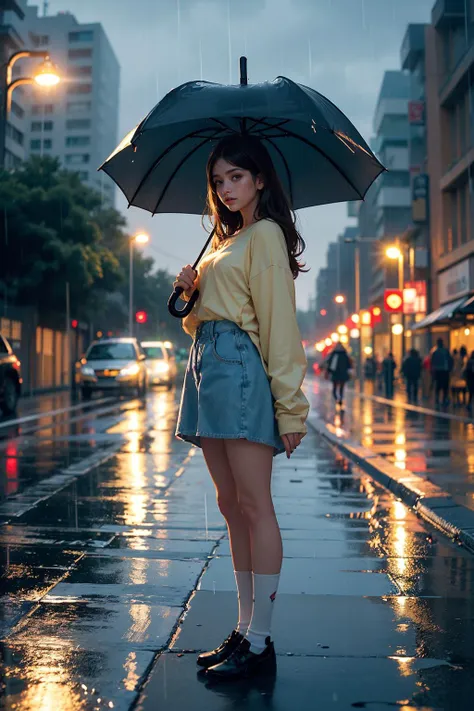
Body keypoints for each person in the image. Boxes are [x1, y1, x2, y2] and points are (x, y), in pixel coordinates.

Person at [173, 135, 309, 680]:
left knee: (255, 505)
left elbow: (276, 323)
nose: (226, 188)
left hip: (240, 369)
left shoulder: (266, 235)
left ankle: (260, 640)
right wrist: (189, 291)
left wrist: (291, 408)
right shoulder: (224, 243)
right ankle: (243, 627)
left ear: (260, 180)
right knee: (229, 506)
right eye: (219, 180)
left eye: (236, 176)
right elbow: (201, 320)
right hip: (206, 365)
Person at [325, 342, 352, 406]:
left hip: (338, 373)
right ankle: (339, 398)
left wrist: (328, 372)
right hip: (339, 373)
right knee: (338, 388)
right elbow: (349, 365)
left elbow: (329, 364)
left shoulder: (336, 354)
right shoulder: (341, 354)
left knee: (338, 388)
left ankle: (339, 398)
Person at [430, 338, 453, 407]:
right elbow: (450, 360)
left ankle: (438, 398)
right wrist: (450, 368)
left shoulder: (434, 351)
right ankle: (443, 398)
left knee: (438, 385)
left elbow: (432, 362)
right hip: (444, 370)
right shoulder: (445, 351)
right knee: (444, 385)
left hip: (438, 370)